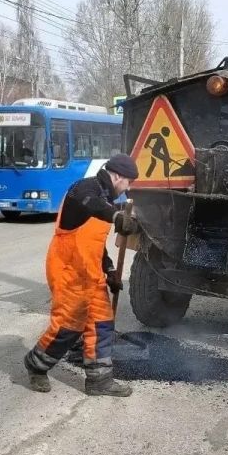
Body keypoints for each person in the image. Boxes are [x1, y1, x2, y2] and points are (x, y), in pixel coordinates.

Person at [24, 153, 140, 396]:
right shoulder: (84, 189)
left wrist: (109, 270)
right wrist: (116, 216)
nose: (127, 188)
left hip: (91, 273)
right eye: (128, 182)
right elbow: (90, 203)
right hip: (69, 272)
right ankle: (36, 364)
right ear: (117, 176)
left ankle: (99, 381)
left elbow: (95, 244)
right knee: (68, 327)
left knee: (102, 324)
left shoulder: (106, 201)